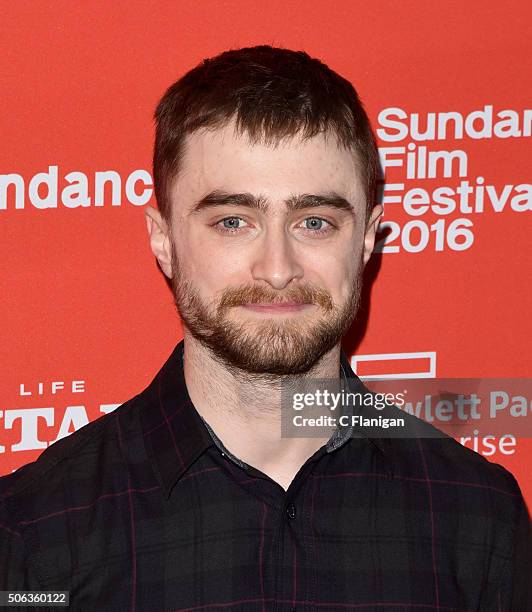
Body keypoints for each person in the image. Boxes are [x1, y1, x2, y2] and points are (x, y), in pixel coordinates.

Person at [1, 45, 530, 611]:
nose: (277, 268)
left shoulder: (477, 520)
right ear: (163, 239)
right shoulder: (35, 535)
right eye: (233, 222)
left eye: (314, 222)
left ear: (368, 238)